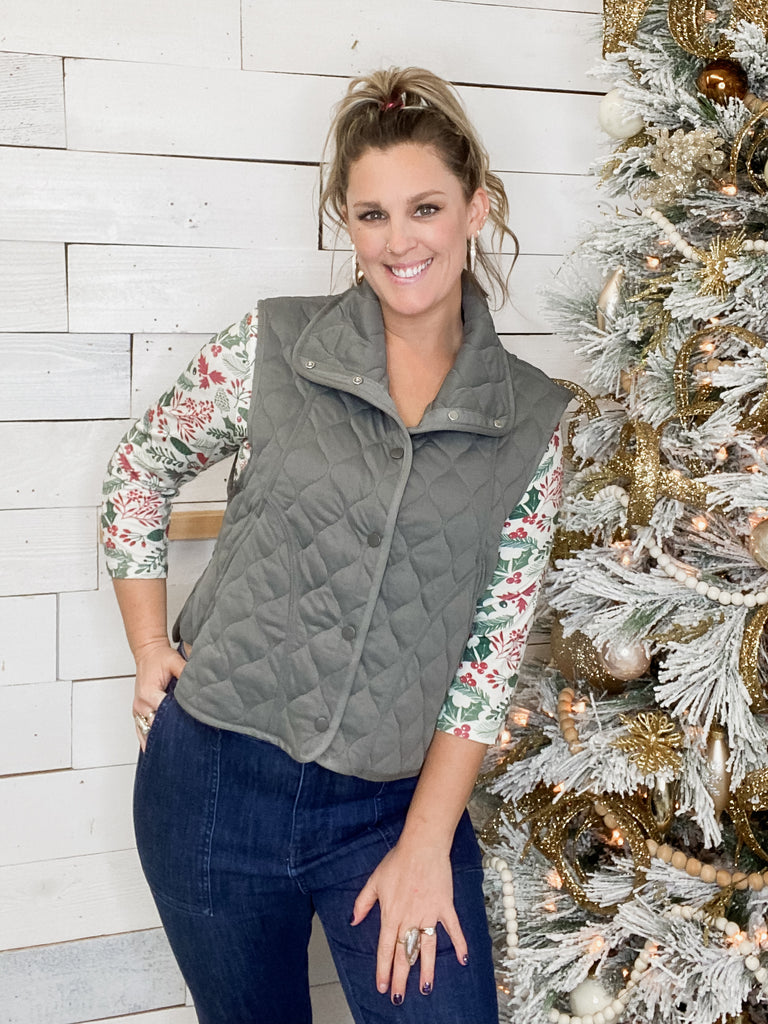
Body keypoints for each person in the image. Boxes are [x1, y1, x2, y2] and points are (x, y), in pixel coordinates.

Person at [102, 66, 570, 1024]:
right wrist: (150, 648)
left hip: (392, 806)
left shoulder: (533, 420)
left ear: (476, 208)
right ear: (346, 226)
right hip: (211, 787)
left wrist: (426, 842)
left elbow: (491, 656)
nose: (400, 241)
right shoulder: (272, 347)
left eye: (425, 207)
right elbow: (139, 469)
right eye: (371, 215)